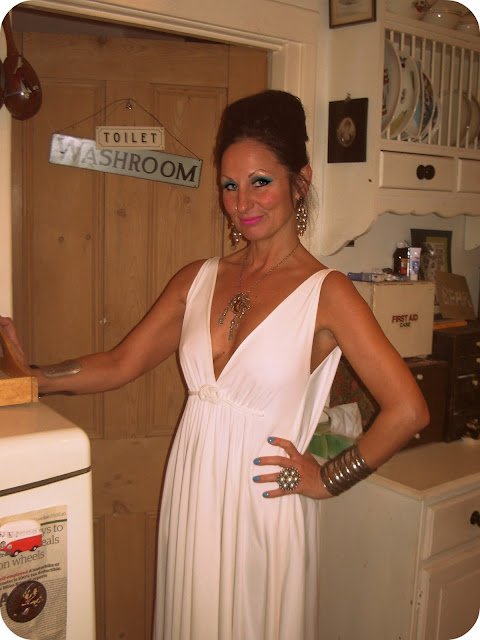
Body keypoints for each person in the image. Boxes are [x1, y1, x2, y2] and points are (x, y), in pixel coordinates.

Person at [0, 89, 429, 640]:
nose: (242, 203)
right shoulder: (197, 279)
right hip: (194, 495)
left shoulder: (329, 293)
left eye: (260, 182)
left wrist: (327, 478)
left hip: (266, 508)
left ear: (300, 182)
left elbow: (408, 410)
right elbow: (119, 362)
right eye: (229, 185)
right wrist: (30, 377)